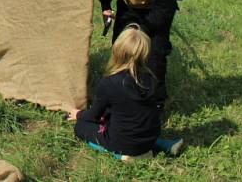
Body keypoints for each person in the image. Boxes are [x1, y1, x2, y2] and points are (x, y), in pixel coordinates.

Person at [68, 26, 186, 161]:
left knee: (81, 127)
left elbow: (94, 116)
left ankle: (121, 154)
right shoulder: (151, 78)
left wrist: (78, 114)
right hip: (150, 136)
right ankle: (164, 144)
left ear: (117, 51)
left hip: (124, 143)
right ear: (145, 53)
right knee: (131, 123)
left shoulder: (108, 82)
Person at [99, 0, 186, 107]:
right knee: (121, 48)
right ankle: (119, 93)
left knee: (154, 56)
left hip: (155, 10)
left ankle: (156, 102)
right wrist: (105, 6)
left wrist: (139, 31)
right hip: (127, 7)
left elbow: (164, 10)